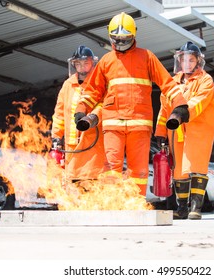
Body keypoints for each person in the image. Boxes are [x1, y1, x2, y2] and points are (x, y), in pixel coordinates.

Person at [74, 12, 190, 196]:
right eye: (116, 39)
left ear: (134, 35)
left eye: (124, 39)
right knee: (111, 168)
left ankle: (137, 205)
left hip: (139, 124)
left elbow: (167, 83)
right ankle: (112, 206)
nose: (120, 43)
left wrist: (180, 105)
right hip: (113, 124)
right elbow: (92, 91)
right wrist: (80, 111)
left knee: (139, 171)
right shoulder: (106, 61)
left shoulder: (146, 57)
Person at [155, 41, 214, 220]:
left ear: (198, 61)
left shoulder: (205, 80)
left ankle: (196, 208)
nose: (187, 64)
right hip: (176, 131)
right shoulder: (172, 82)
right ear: (179, 62)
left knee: (197, 167)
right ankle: (182, 208)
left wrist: (182, 112)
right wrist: (160, 131)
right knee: (179, 170)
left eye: (191, 60)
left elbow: (200, 102)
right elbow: (164, 108)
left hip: (198, 132)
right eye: (184, 60)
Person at [51, 45, 107, 182]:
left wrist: (91, 118)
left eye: (85, 63)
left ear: (93, 63)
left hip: (94, 147)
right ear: (73, 64)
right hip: (71, 148)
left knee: (93, 186)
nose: (82, 67)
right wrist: (56, 137)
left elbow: (104, 106)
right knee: (74, 187)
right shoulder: (68, 85)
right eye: (78, 63)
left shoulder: (101, 83)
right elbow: (59, 114)